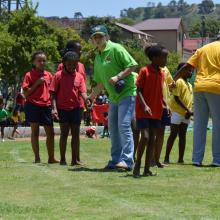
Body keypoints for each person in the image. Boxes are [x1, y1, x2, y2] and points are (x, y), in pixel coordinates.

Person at [89, 25, 138, 171]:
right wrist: (91, 97)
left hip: (127, 92)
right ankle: (115, 160)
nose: (97, 39)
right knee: (112, 127)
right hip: (113, 97)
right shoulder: (97, 57)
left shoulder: (116, 48)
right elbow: (100, 82)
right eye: (95, 37)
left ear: (106, 37)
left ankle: (127, 160)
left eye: (100, 36)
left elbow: (132, 65)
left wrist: (118, 76)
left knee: (123, 125)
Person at [174, 40, 220, 167]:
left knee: (199, 125)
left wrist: (174, 79)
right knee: (218, 125)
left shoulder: (203, 49)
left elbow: (187, 67)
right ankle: (217, 160)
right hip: (217, 87)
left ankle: (196, 159)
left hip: (199, 87)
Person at [133, 45, 168, 177]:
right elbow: (139, 90)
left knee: (152, 139)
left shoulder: (161, 73)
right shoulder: (144, 71)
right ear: (154, 58)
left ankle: (147, 169)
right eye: (164, 57)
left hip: (156, 111)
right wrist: (145, 105)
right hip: (143, 111)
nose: (166, 60)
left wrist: (165, 104)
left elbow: (159, 92)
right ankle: (137, 166)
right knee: (146, 137)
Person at [50, 51, 88, 166]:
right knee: (64, 133)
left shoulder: (80, 77)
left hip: (76, 108)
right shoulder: (58, 76)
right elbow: (53, 94)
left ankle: (74, 159)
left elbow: (83, 93)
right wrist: (54, 108)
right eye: (69, 64)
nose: (72, 67)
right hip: (62, 109)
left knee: (76, 134)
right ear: (64, 63)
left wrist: (88, 100)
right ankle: (62, 159)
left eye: (74, 65)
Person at [22, 51, 58, 164]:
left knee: (51, 133)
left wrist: (54, 108)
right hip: (32, 105)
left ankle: (51, 158)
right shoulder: (29, 75)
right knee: (35, 132)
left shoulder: (49, 75)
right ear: (34, 62)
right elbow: (26, 94)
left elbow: (52, 94)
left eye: (44, 60)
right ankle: (37, 158)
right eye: (39, 60)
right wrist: (37, 82)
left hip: (46, 106)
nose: (42, 62)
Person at [164, 63, 193, 164]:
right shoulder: (179, 81)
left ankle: (181, 159)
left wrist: (189, 111)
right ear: (182, 70)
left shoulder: (189, 84)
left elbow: (189, 100)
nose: (191, 72)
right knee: (173, 134)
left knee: (183, 135)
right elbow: (176, 98)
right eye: (188, 70)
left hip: (186, 114)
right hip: (176, 112)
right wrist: (187, 109)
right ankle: (166, 158)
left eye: (191, 70)